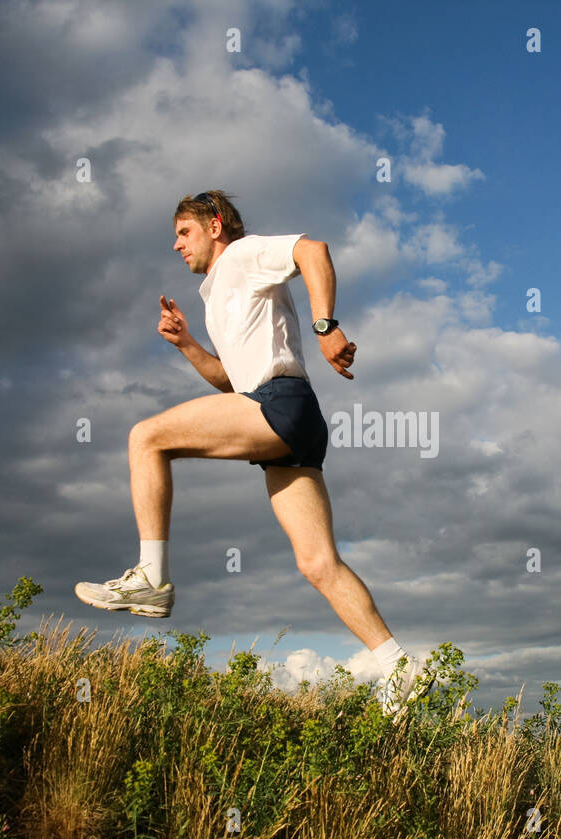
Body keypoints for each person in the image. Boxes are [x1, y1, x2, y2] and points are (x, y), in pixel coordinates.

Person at [75, 189, 433, 717]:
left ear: (215, 225)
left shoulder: (242, 255)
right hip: (287, 416)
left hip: (279, 403)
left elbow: (312, 250)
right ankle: (399, 665)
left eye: (184, 232)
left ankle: (151, 577)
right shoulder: (218, 292)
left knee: (145, 437)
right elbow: (231, 382)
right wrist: (187, 345)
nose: (176, 245)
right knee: (317, 563)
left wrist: (326, 326)